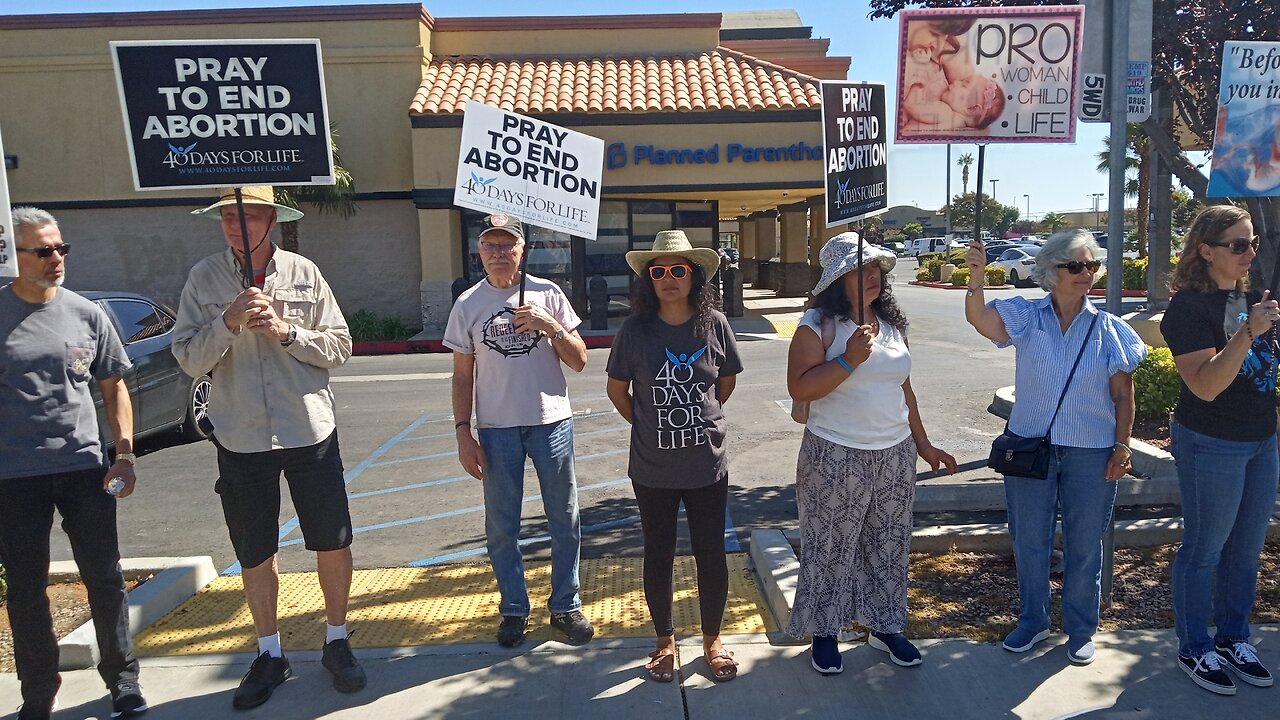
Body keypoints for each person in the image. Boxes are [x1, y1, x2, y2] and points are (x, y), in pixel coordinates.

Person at [171, 186, 365, 710]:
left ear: (271, 221)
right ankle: (270, 652)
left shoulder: (306, 273)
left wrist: (287, 332)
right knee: (255, 550)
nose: (236, 227)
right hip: (241, 434)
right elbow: (188, 357)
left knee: (332, 541)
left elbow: (340, 348)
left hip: (308, 429)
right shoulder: (203, 278)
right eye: (228, 220)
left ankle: (337, 640)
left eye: (248, 217)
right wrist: (226, 322)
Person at [964, 229, 1146, 666]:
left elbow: (1124, 395)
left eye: (1092, 266)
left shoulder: (1110, 329)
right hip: (1031, 449)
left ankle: (1081, 630)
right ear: (1051, 272)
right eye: (1075, 266)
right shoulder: (1027, 317)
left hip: (1092, 452)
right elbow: (980, 320)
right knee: (1030, 540)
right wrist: (975, 278)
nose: (1086, 274)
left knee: (1086, 544)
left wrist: (1122, 445)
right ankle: (1033, 621)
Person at [0, 207, 148, 720]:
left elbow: (114, 387)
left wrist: (124, 454)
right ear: (13, 256)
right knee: (24, 589)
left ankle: (124, 682)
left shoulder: (87, 314)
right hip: (14, 476)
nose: (56, 259)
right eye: (42, 251)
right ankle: (38, 692)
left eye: (61, 248)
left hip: (86, 470)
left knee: (105, 579)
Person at [786, 233, 957, 674]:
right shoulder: (818, 325)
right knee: (829, 547)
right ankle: (825, 633)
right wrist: (847, 361)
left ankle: (885, 626)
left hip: (894, 455)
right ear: (837, 279)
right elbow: (800, 387)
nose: (871, 277)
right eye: (860, 270)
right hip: (835, 454)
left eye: (876, 269)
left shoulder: (893, 325)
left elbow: (904, 388)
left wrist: (923, 444)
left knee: (889, 544)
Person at [444, 212, 595, 648]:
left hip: (551, 423)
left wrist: (550, 326)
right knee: (501, 525)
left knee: (564, 518)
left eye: (506, 245)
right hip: (496, 429)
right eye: (489, 245)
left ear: (521, 250)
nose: (497, 253)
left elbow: (580, 360)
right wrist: (462, 431)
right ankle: (513, 608)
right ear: (479, 252)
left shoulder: (548, 294)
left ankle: (565, 605)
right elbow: (460, 375)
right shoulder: (468, 304)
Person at [605, 230, 743, 683]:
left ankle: (711, 640)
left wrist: (698, 420)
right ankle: (665, 641)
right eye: (658, 271)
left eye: (678, 270)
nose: (668, 278)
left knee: (710, 553)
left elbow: (724, 383)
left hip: (706, 463)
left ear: (694, 277)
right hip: (652, 467)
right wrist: (646, 424)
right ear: (649, 280)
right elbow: (617, 389)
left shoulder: (715, 325)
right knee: (658, 553)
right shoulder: (634, 331)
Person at [1160, 205, 1278, 696]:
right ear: (1205, 251)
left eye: (1252, 243)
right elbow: (1206, 386)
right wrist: (1250, 331)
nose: (1249, 252)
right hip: (1211, 442)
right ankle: (1195, 645)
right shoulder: (1188, 308)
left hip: (1260, 441)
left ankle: (1233, 638)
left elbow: (1265, 375)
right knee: (1206, 548)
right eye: (1238, 245)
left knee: (1247, 550)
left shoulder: (1252, 297)